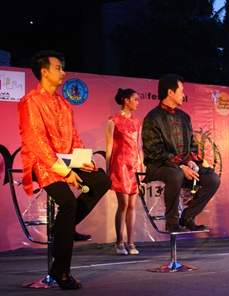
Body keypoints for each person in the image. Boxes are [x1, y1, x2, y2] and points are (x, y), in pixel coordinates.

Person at [17, 50, 111, 289]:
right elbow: (37, 143)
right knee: (68, 203)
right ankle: (61, 271)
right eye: (58, 68)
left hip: (67, 161)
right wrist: (66, 172)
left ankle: (64, 228)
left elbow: (74, 138)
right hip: (43, 164)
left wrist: (83, 161)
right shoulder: (30, 101)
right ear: (44, 72)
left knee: (102, 181)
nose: (63, 72)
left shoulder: (63, 103)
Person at [142, 74, 220, 232]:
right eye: (181, 91)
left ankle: (188, 216)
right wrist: (180, 167)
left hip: (182, 166)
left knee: (212, 179)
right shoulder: (152, 118)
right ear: (170, 92)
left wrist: (191, 161)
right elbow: (155, 152)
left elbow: (191, 145)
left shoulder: (184, 117)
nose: (183, 95)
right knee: (175, 174)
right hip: (158, 166)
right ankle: (171, 221)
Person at [106, 88, 143, 255]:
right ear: (126, 100)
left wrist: (141, 165)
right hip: (120, 165)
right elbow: (109, 147)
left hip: (134, 165)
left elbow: (138, 146)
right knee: (123, 204)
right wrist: (108, 169)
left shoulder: (137, 122)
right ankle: (119, 241)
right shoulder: (113, 120)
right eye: (135, 99)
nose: (137, 102)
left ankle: (131, 242)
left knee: (133, 205)